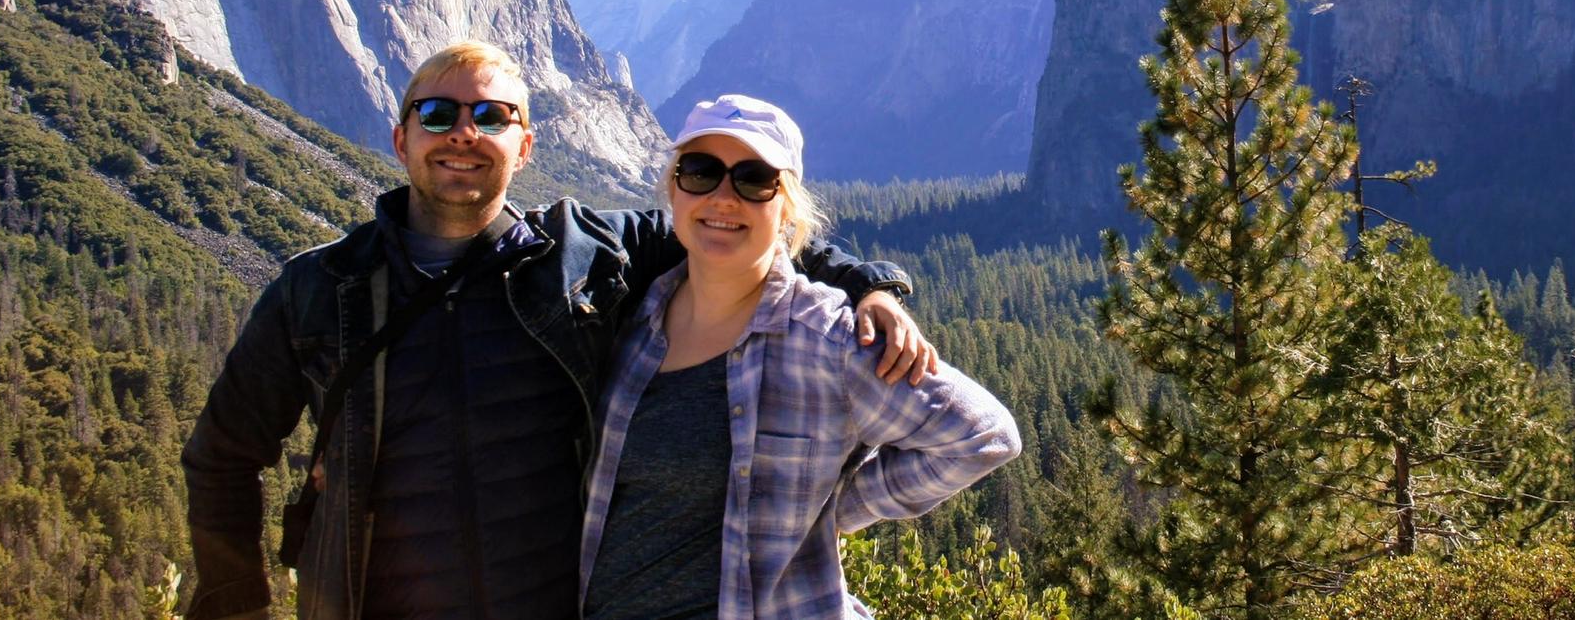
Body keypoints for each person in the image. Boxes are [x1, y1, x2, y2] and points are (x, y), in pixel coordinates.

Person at [182, 42, 930, 620]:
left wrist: (872, 288)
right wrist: (235, 604)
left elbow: (739, 225)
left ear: (525, 146)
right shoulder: (319, 290)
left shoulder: (585, 255)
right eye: (438, 115)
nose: (463, 134)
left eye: (491, 117)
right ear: (401, 138)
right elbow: (223, 457)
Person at [579, 94, 1019, 620]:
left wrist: (828, 509)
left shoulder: (828, 338)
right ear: (674, 188)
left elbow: (984, 435)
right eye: (700, 172)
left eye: (754, 180)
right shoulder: (629, 317)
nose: (723, 197)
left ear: (786, 206)